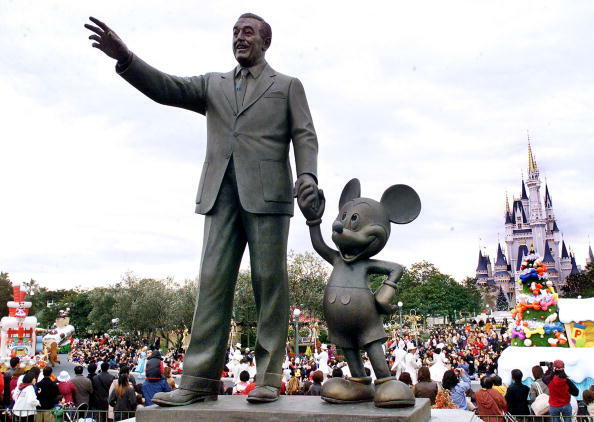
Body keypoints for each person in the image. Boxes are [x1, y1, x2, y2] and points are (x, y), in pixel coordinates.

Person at [85, 10, 319, 406]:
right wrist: (125, 58)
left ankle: (268, 377)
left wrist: (308, 176)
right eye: (235, 32)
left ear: (266, 40)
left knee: (269, 285)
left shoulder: (287, 86)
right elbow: (166, 88)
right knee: (211, 282)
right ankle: (198, 380)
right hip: (220, 194)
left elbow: (305, 134)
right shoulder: (214, 85)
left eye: (248, 32)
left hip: (269, 195)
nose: (239, 38)